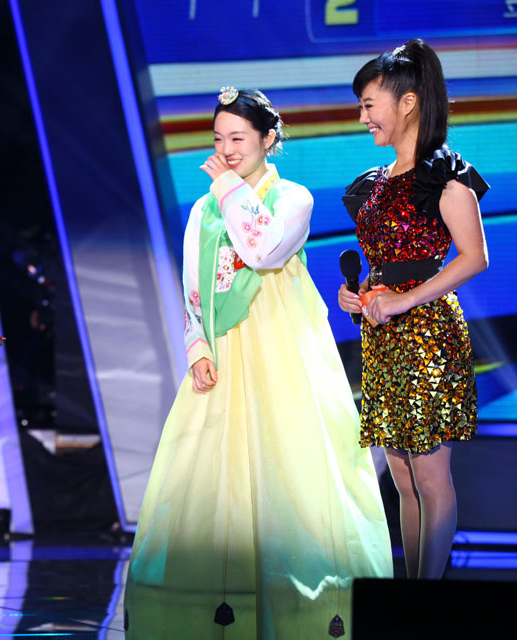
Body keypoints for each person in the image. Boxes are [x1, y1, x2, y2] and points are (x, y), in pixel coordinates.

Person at [125, 88, 392, 638]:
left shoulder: (293, 198)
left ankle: (301, 609)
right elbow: (192, 286)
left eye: (238, 138)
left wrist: (228, 188)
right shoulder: (202, 209)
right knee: (211, 476)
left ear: (268, 139)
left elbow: (262, 249)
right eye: (218, 139)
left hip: (280, 348)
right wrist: (197, 347)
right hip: (224, 352)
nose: (225, 150)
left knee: (289, 467)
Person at [339, 39, 489, 580]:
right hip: (384, 338)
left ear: (407, 103)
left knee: (429, 474)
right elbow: (385, 266)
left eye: (369, 105)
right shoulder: (374, 185)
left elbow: (474, 257)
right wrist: (358, 295)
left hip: (429, 336)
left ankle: (430, 593)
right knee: (401, 477)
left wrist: (404, 299)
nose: (363, 118)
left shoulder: (444, 176)